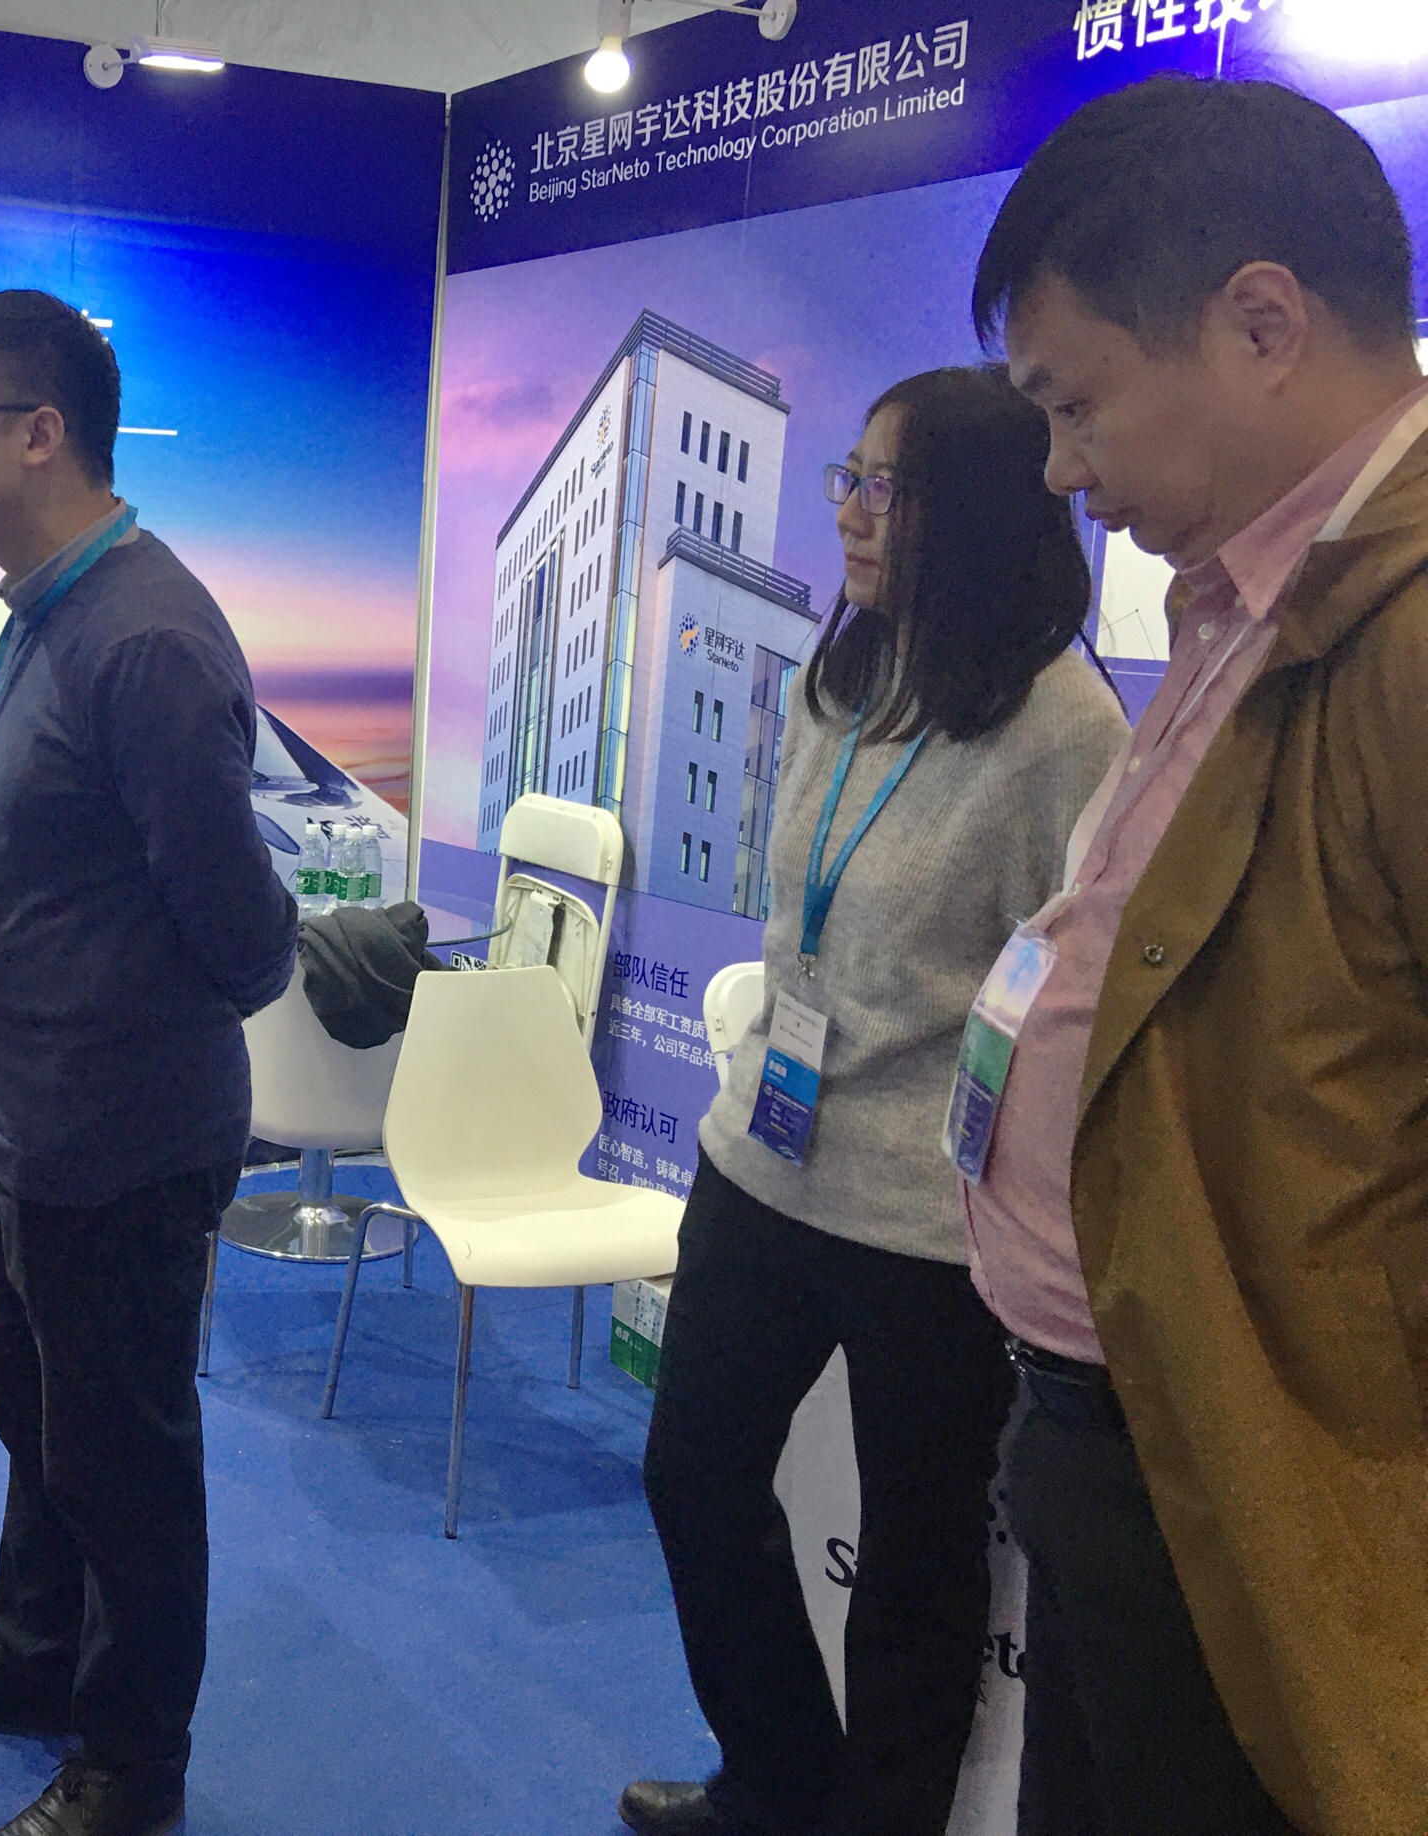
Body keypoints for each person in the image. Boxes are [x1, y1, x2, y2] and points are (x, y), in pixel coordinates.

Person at [962, 75, 1428, 1836]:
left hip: (1270, 1473)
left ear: (1260, 324)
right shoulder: (1250, 593)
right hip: (1140, 1428)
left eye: (1076, 404)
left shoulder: (1407, 629)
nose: (1063, 473)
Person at [620, 368, 1128, 1836]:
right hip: (762, 1164)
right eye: (848, 475)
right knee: (694, 1475)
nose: (847, 509)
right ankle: (778, 1779)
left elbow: (1071, 1000)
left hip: (930, 1225)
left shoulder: (1065, 729)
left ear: (970, 512)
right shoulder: (840, 674)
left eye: (883, 487)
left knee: (916, 1566)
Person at [0, 290, 296, 1836]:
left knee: (123, 1457)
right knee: (33, 1405)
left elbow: (246, 939)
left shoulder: (147, 640)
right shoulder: (48, 608)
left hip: (121, 1143)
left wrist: (107, 997)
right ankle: (40, 1652)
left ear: (40, 432)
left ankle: (132, 1763)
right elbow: (82, 845)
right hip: (28, 1122)